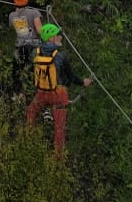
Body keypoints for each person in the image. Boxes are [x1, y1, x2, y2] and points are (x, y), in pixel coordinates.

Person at [26, 23, 93, 154]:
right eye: (58, 35)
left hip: (42, 93)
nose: (61, 37)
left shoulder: (35, 52)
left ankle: (28, 143)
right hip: (59, 95)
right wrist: (84, 82)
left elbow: (30, 71)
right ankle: (58, 159)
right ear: (51, 38)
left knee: (30, 113)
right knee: (59, 129)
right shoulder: (60, 56)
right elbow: (71, 77)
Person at [10, 0, 44, 92]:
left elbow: (13, 28)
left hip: (19, 47)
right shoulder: (34, 13)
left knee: (18, 70)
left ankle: (19, 94)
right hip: (33, 47)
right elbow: (40, 31)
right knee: (35, 71)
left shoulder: (12, 16)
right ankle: (35, 92)